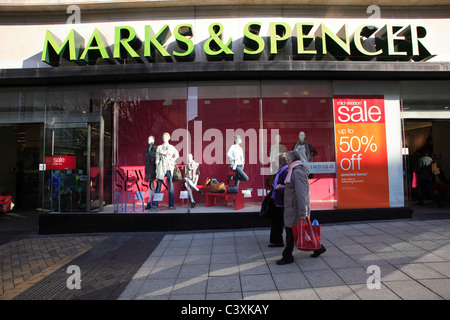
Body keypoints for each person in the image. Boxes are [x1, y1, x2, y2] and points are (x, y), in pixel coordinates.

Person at [277, 150, 326, 265]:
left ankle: (287, 256)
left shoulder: (297, 172)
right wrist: (283, 187)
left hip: (296, 209)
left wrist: (303, 212)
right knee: (298, 231)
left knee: (291, 231)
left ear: (291, 160)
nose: (286, 161)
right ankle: (318, 248)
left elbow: (301, 192)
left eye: (287, 159)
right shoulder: (293, 170)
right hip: (293, 207)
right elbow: (294, 188)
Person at [154, 132, 179, 210]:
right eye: (163, 137)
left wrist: (173, 160)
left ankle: (171, 205)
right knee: (158, 186)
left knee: (171, 186)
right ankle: (155, 204)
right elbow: (157, 159)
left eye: (166, 137)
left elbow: (177, 154)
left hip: (169, 168)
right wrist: (156, 168)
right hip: (161, 167)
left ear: (169, 138)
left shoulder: (171, 147)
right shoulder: (159, 147)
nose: (164, 138)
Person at [268, 155, 288, 247]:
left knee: (278, 222)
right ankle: (277, 240)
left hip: (281, 201)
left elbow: (288, 187)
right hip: (278, 200)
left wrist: (278, 189)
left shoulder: (285, 172)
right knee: (277, 221)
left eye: (275, 163)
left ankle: (278, 241)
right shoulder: (281, 171)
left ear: (281, 163)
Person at [145, 135, 158, 210]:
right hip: (148, 169)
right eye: (148, 139)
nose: (148, 140)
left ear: (153, 140)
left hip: (154, 169)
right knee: (151, 186)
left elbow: (156, 159)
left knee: (151, 186)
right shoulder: (147, 149)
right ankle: (153, 202)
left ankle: (150, 202)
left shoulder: (156, 148)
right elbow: (146, 160)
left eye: (150, 139)